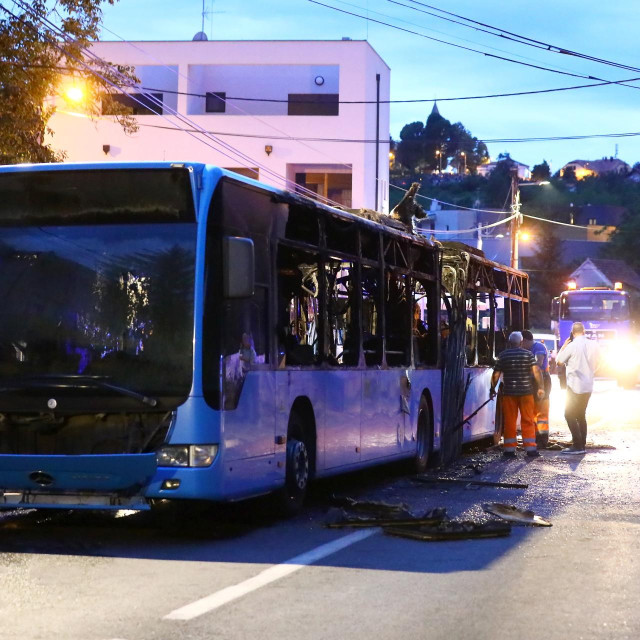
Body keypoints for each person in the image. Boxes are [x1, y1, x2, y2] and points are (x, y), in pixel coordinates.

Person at [490, 331, 545, 458]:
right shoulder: (528, 355)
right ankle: (530, 450)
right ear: (521, 342)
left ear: (509, 342)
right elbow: (536, 372)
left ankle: (509, 450)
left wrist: (492, 388)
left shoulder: (503, 356)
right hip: (526, 393)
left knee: (509, 421)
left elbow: (496, 374)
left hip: (509, 393)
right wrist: (541, 387)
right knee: (527, 420)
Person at [555, 322, 600, 455]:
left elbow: (559, 361)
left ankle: (577, 445)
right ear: (584, 331)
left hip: (574, 386)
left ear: (572, 333)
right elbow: (602, 361)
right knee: (581, 415)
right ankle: (582, 443)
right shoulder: (594, 344)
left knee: (569, 414)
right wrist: (592, 372)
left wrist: (563, 346)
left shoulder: (572, 345)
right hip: (588, 385)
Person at [521, 330, 551, 448]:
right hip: (533, 381)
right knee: (532, 410)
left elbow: (539, 362)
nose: (521, 345)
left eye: (522, 343)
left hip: (542, 380)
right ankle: (534, 438)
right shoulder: (527, 349)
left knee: (541, 411)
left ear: (526, 340)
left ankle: (542, 440)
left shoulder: (539, 347)